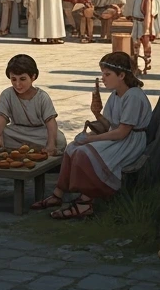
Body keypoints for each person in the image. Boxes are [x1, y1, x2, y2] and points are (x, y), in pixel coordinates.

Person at [33, 51, 151, 219]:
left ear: (122, 75)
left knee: (84, 153)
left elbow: (122, 132)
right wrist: (97, 114)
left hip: (130, 142)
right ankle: (58, 194)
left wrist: (90, 139)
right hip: (117, 137)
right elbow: (107, 126)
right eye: (102, 74)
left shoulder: (134, 96)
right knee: (72, 148)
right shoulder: (115, 95)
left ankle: (85, 202)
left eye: (107, 74)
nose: (103, 78)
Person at [0, 54, 64, 155]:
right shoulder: (7, 94)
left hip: (39, 132)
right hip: (17, 131)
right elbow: (1, 117)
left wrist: (51, 144)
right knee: (2, 133)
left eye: (22, 79)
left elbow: (51, 122)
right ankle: (30, 148)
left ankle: (38, 147)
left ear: (33, 77)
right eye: (14, 79)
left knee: (60, 140)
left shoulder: (42, 97)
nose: (17, 84)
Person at [127, 0, 158, 73]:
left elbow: (148, 14)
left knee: (144, 45)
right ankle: (136, 65)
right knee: (135, 45)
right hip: (137, 23)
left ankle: (144, 65)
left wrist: (146, 29)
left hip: (144, 24)